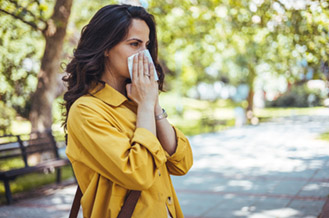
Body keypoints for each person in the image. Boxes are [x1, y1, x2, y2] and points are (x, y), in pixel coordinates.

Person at [62, 4, 193, 218]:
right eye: (134, 44)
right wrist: (145, 106)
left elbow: (182, 163)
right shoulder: (86, 110)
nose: (144, 55)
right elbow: (138, 174)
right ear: (106, 47)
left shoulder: (136, 101)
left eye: (146, 46)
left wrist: (153, 104)